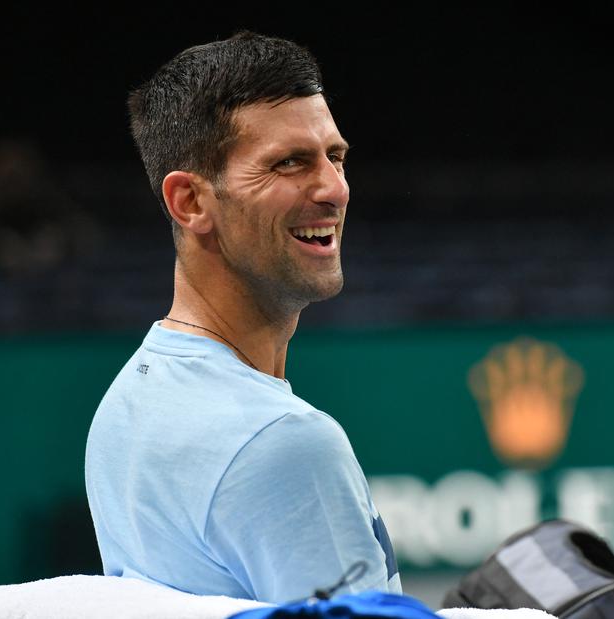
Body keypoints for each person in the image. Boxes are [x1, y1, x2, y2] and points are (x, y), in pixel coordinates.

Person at [85, 31, 400, 604]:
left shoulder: (128, 399)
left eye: (336, 156)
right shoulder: (283, 441)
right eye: (289, 163)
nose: (335, 189)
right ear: (191, 202)